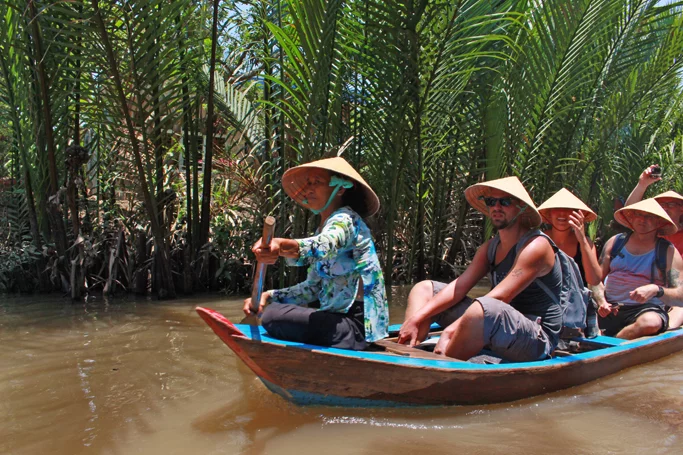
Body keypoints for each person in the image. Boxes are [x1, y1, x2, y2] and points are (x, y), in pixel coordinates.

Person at [397, 176, 562, 362]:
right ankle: (409, 353)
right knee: (424, 289)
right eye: (491, 201)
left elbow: (500, 297)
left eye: (505, 202)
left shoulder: (536, 246)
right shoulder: (490, 248)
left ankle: (442, 368)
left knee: (483, 308)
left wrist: (450, 331)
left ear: (521, 208)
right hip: (497, 324)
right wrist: (416, 319)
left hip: (536, 337)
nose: (497, 207)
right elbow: (459, 287)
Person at [243, 157, 388, 350]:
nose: (308, 189)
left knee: (271, 316)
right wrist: (268, 296)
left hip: (356, 326)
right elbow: (312, 288)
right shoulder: (324, 229)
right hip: (339, 321)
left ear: (341, 189)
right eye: (308, 183)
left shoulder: (346, 219)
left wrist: (280, 246)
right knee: (272, 310)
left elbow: (324, 246)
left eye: (317, 182)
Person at [596, 199, 683, 339]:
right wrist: (601, 301)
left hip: (645, 309)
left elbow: (680, 295)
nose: (643, 220)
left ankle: (613, 345)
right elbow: (595, 281)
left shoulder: (667, 251)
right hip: (608, 307)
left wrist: (656, 289)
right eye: (638, 215)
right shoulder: (615, 242)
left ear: (659, 222)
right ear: (631, 218)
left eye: (649, 216)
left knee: (650, 322)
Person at [537, 188, 603, 336]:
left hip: (576, 306)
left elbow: (594, 279)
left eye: (568, 210)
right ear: (549, 214)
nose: (562, 214)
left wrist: (582, 239)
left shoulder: (585, 243)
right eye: (557, 210)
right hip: (543, 304)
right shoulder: (538, 241)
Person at [624, 164, 683, 328]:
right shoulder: (652, 232)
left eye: (670, 205)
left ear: (681, 209)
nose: (665, 208)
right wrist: (642, 184)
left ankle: (661, 335)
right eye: (661, 205)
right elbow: (629, 212)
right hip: (647, 292)